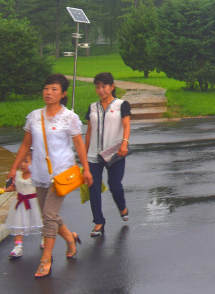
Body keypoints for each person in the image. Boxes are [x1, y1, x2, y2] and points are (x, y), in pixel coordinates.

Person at [6, 74, 93, 278]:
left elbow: (79, 145)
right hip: (39, 172)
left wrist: (86, 168)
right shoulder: (34, 116)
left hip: (61, 173)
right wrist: (14, 167)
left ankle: (46, 259)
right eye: (46, 88)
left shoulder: (69, 117)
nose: (49, 92)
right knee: (49, 215)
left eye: (54, 89)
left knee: (49, 217)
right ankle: (70, 238)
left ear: (63, 94)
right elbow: (26, 144)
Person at [84, 72, 131, 237]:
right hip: (93, 155)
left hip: (115, 153)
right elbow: (89, 131)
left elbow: (126, 125)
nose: (100, 90)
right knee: (93, 188)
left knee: (115, 185)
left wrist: (125, 142)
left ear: (112, 87)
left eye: (104, 86)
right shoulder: (92, 107)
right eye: (97, 87)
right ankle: (98, 222)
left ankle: (122, 206)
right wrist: (83, 155)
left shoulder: (122, 105)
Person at [4, 149, 43, 258]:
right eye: (21, 161)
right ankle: (18, 247)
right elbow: (13, 187)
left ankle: (44, 237)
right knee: (18, 225)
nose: (22, 164)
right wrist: (4, 189)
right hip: (20, 204)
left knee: (40, 221)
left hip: (34, 203)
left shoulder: (36, 176)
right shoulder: (17, 175)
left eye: (26, 161)